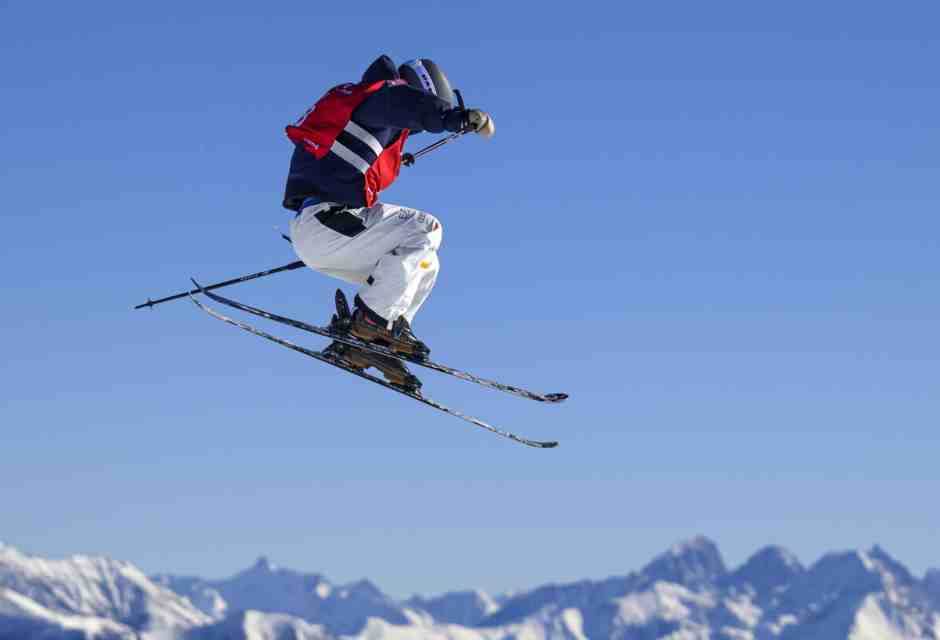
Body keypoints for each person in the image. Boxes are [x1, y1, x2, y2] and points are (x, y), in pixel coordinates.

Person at [283, 55, 494, 364]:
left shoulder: (360, 107)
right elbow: (411, 106)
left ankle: (382, 333)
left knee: (425, 263)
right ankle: (372, 321)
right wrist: (457, 117)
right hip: (328, 221)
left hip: (327, 232)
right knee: (426, 228)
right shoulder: (383, 94)